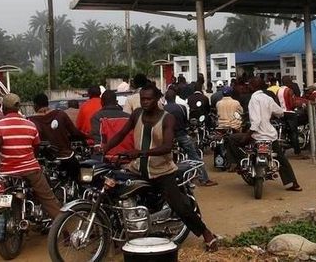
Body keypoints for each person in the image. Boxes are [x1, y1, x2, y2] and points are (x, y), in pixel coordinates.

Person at [98, 85, 219, 251]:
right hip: (137, 169)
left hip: (161, 171)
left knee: (180, 206)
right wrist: (105, 148)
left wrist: (140, 152)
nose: (145, 102)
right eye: (142, 99)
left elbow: (167, 146)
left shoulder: (167, 118)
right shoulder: (136, 114)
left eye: (149, 99)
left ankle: (207, 234)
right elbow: (121, 134)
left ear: (157, 99)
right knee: (112, 188)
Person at [0, 93, 61, 219]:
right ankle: (64, 232)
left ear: (3, 108)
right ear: (18, 107)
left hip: (7, 172)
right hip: (30, 170)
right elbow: (35, 149)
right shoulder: (30, 125)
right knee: (48, 199)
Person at [224, 77, 302, 191]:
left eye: (250, 84)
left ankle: (240, 165)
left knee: (231, 139)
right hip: (270, 136)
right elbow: (280, 112)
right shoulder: (268, 98)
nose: (248, 86)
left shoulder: (254, 99)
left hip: (256, 135)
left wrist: (247, 135)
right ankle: (293, 184)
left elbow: (256, 121)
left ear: (254, 86)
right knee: (281, 159)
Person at [164, 89, 217, 186]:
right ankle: (204, 179)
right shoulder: (181, 108)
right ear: (175, 97)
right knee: (195, 157)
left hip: (167, 138)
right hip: (181, 136)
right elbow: (185, 122)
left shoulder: (162, 109)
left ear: (165, 98)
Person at [29, 93, 88, 157]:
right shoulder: (60, 114)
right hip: (65, 155)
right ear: (47, 103)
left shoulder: (31, 121)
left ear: (35, 105)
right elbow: (74, 132)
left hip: (44, 159)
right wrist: (88, 136)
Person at [90, 90, 134, 157]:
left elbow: (98, 143)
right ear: (116, 102)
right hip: (129, 156)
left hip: (107, 158)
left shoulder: (97, 117)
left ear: (101, 102)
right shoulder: (129, 117)